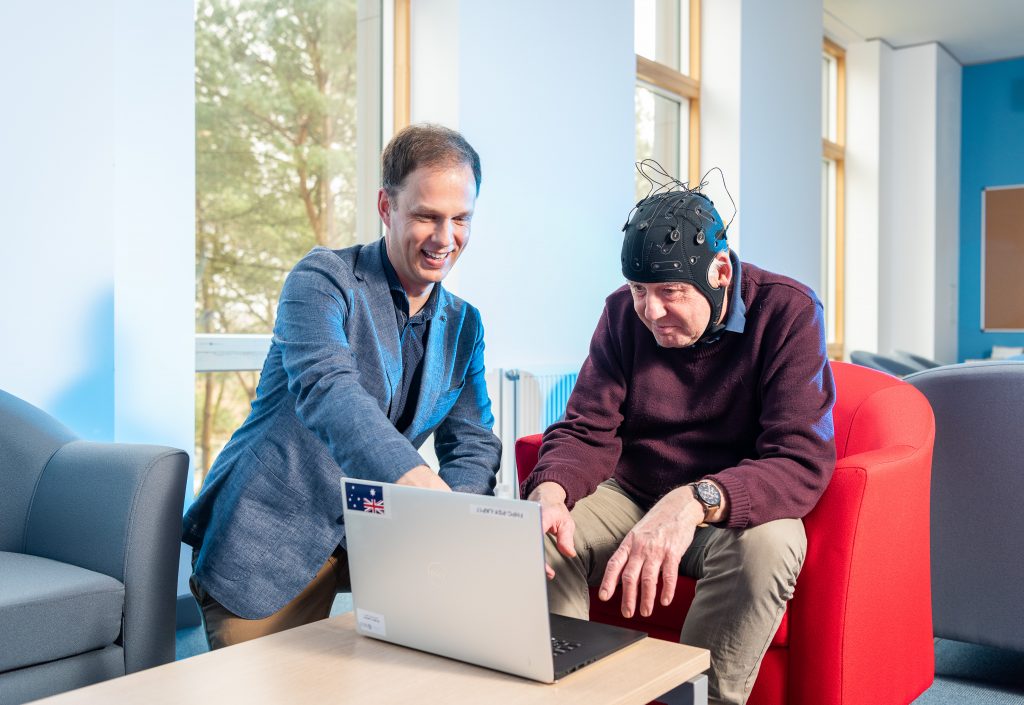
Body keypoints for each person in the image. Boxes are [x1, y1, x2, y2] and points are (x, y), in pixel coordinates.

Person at [183, 124, 502, 649]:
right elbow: (328, 389)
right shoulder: (321, 279)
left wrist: (456, 519)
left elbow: (472, 440)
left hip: (377, 546)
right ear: (386, 206)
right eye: (426, 216)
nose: (446, 239)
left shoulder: (466, 324)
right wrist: (418, 481)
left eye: (460, 219)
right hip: (269, 538)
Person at [523, 184, 836, 705]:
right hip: (631, 493)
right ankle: (565, 694)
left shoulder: (789, 311)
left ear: (719, 271)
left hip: (729, 512)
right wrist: (550, 490)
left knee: (773, 546)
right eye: (639, 290)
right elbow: (584, 427)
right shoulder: (622, 314)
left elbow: (798, 459)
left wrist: (694, 500)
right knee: (546, 535)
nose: (651, 311)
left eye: (670, 292)